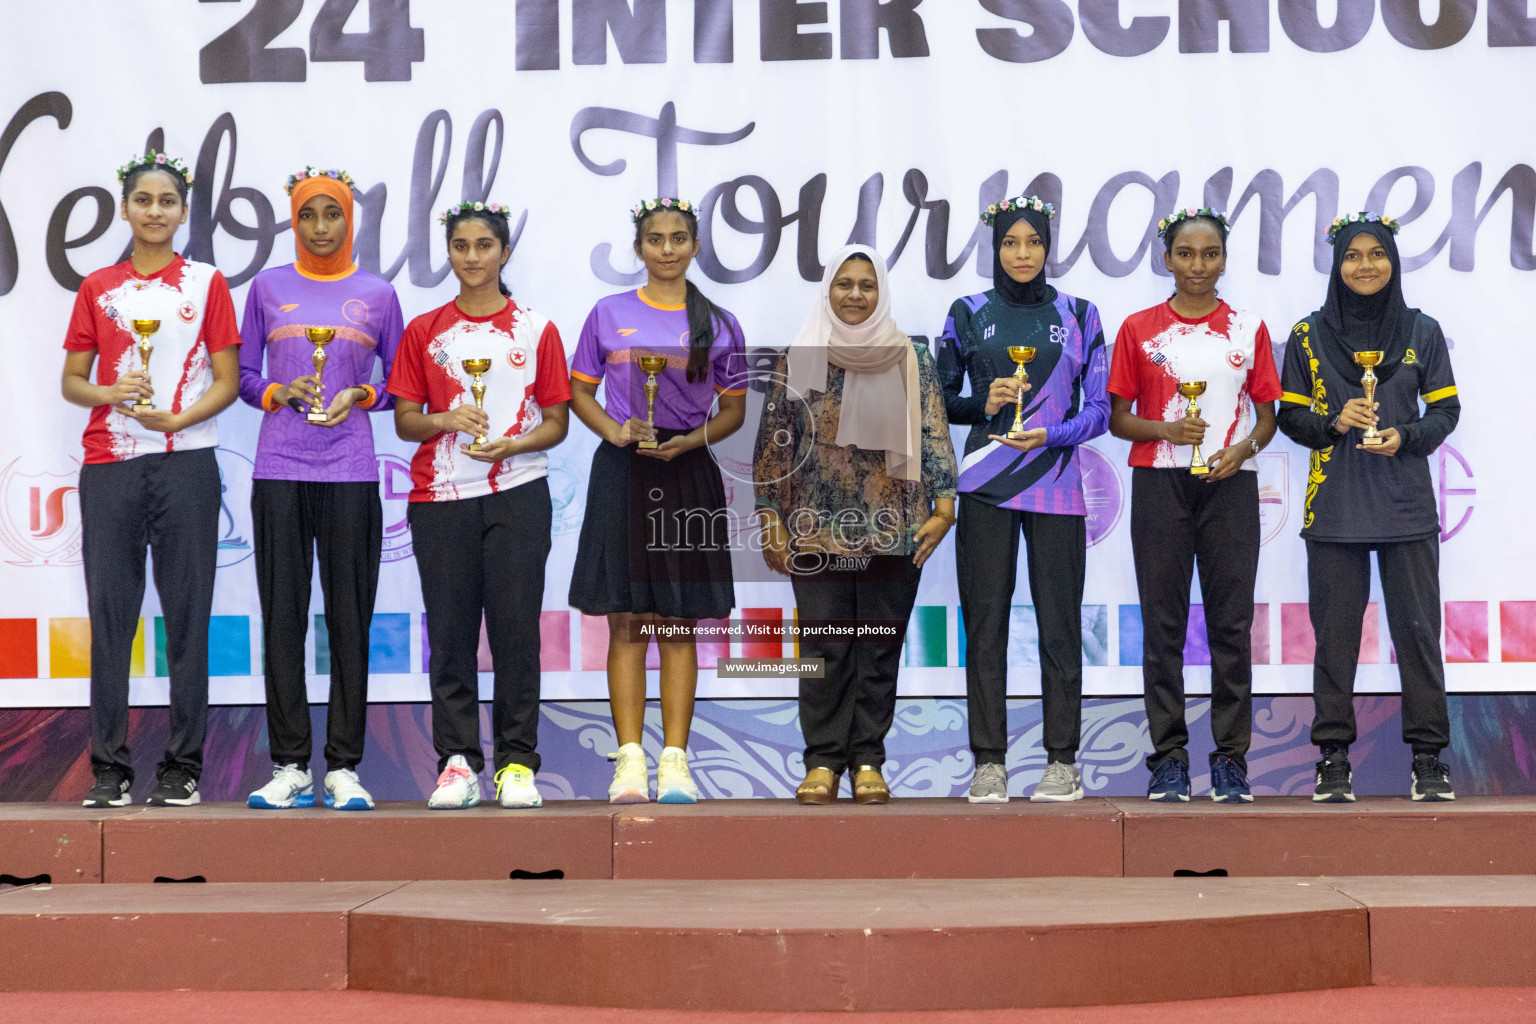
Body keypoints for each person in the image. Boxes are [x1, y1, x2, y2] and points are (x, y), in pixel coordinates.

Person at [62, 151, 240, 807]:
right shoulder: (97, 287)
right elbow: (72, 381)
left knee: (189, 619)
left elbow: (226, 382)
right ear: (126, 208)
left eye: (168, 202)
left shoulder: (206, 284)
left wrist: (180, 415)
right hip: (110, 465)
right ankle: (108, 768)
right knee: (112, 619)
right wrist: (111, 390)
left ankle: (182, 766)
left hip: (188, 462)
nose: (156, 212)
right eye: (144, 201)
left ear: (183, 211)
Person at [754, 244, 957, 804]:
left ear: (881, 292)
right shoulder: (798, 356)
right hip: (815, 527)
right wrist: (772, 517)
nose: (855, 295)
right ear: (827, 290)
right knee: (823, 650)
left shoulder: (911, 355)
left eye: (867, 285)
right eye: (844, 284)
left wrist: (945, 509)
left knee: (877, 649)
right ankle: (822, 762)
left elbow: (933, 432)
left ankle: (868, 758)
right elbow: (775, 442)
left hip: (896, 529)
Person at [386, 201, 571, 809]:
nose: (472, 257)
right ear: (449, 253)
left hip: (519, 493)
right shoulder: (424, 331)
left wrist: (512, 444)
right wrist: (444, 419)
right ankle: (458, 763)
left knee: (518, 632)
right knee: (451, 634)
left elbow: (557, 422)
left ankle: (518, 763)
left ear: (504, 252)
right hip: (440, 499)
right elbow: (407, 421)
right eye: (461, 246)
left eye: (484, 246)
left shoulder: (536, 329)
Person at [568, 198, 747, 804]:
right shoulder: (608, 313)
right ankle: (629, 761)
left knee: (676, 621)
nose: (666, 249)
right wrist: (613, 430)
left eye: (678, 238)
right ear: (639, 247)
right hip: (622, 467)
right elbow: (580, 392)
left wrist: (688, 442)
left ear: (695, 247)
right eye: (654, 239)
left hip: (685, 471)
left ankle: (675, 760)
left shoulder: (719, 323)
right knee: (626, 619)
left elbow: (734, 411)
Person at [1277, 212, 1460, 803]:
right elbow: (1289, 416)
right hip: (1334, 510)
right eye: (1352, 255)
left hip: (1407, 510)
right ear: (1337, 264)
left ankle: (1428, 759)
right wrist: (1334, 422)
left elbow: (1446, 412)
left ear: (1392, 259)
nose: (1364, 265)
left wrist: (1405, 436)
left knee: (1418, 636)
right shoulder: (1308, 334)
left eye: (1375, 254)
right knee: (1333, 641)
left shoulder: (1422, 331)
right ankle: (1333, 757)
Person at [239, 167, 404, 812]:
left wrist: (362, 394)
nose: (321, 227)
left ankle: (343, 766)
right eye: (308, 215)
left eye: (331, 214)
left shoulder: (379, 293)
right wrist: (280, 392)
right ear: (294, 221)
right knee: (282, 619)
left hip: (352, 471)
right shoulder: (267, 287)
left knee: (348, 621)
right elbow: (247, 375)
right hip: (279, 468)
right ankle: (289, 765)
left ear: (350, 220)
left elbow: (401, 385)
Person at [937, 195, 1109, 804]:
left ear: (1047, 245)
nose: (1022, 254)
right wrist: (980, 406)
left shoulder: (1081, 313)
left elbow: (1101, 411)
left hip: (1058, 487)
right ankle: (990, 762)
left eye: (1032, 242)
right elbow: (939, 400)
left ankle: (1062, 760)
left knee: (1061, 627)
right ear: (995, 247)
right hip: (985, 485)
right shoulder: (968, 311)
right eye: (1011, 243)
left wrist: (1053, 432)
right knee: (985, 626)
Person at [1107, 207, 1280, 803]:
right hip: (1161, 485)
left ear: (1225, 259)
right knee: (1164, 624)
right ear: (1167, 259)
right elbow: (1118, 419)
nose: (1198, 266)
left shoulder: (1247, 328)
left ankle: (1231, 758)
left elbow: (1267, 419)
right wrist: (1163, 430)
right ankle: (1169, 758)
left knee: (1231, 624)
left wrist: (1242, 450)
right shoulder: (1138, 329)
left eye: (1209, 254)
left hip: (1230, 486)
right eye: (1186, 254)